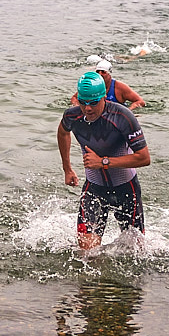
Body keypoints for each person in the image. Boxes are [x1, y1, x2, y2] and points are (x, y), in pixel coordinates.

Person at [58, 72, 151, 250]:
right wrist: (67, 169)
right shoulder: (72, 116)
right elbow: (62, 133)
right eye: (83, 102)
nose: (88, 109)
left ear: (103, 97)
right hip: (94, 188)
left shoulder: (122, 117)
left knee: (136, 251)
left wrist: (103, 162)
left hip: (126, 189)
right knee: (87, 252)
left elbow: (144, 158)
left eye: (93, 102)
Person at [71, 60, 146, 111]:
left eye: (103, 72)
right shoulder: (92, 86)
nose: (100, 74)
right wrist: (78, 107)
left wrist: (129, 111)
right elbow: (74, 98)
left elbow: (140, 101)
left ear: (109, 74)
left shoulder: (120, 87)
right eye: (98, 72)